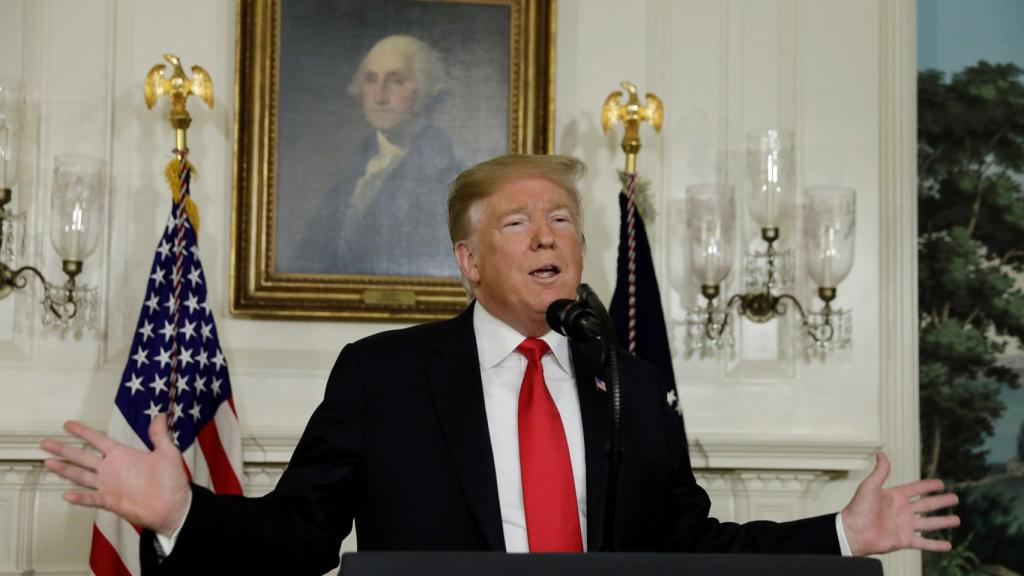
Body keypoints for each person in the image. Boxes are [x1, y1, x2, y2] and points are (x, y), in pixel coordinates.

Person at [42, 155, 958, 574]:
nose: (548, 234)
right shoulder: (384, 375)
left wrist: (840, 533)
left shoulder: (629, 383)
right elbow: (302, 534)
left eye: (563, 219)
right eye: (517, 223)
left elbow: (687, 543)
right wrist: (182, 511)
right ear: (469, 261)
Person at [287, 34, 461, 277]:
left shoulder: (446, 176)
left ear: (426, 91)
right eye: (371, 80)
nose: (379, 96)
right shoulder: (354, 170)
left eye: (396, 81)